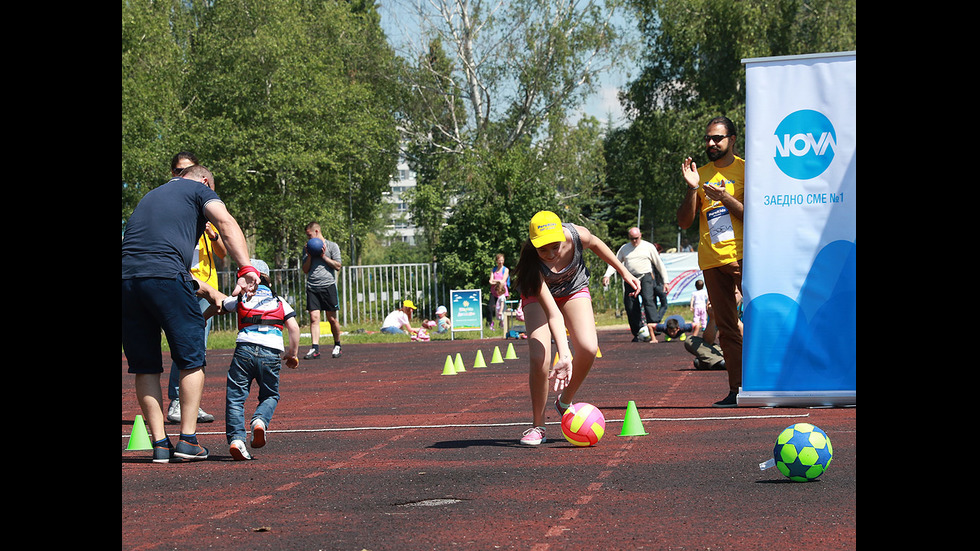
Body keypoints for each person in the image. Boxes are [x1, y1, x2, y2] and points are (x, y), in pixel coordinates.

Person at [122, 164, 260, 463]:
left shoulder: (151, 196)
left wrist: (211, 292)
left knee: (145, 366)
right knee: (191, 359)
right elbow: (225, 222)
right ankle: (187, 440)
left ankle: (159, 445)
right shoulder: (200, 190)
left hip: (127, 282)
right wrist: (246, 267)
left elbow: (153, 263)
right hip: (167, 278)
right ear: (206, 181)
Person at [513, 210, 640, 445]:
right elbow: (553, 314)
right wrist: (563, 354)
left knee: (589, 347)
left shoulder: (576, 235)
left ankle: (564, 401)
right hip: (539, 296)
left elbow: (598, 244)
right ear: (533, 245)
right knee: (540, 357)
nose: (551, 254)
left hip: (573, 288)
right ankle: (538, 426)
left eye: (555, 246)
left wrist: (624, 272)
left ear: (562, 235)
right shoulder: (532, 262)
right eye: (543, 249)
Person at [678, 116, 745, 407]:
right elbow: (684, 222)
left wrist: (725, 198)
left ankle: (770, 383)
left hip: (745, 258)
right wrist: (693, 188)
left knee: (760, 321)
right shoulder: (700, 173)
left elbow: (757, 216)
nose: (711, 143)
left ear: (732, 139)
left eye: (717, 138)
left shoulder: (746, 170)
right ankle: (737, 389)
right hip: (712, 261)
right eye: (708, 138)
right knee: (727, 328)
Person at [165, 152, 225, 424]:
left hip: (206, 288)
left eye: (186, 170)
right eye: (178, 171)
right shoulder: (172, 203)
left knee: (197, 346)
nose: (182, 175)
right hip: (181, 282)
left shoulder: (208, 206)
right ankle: (177, 401)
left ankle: (191, 403)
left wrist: (212, 233)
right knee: (184, 343)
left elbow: (223, 253)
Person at [220, 259, 300, 461]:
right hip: (271, 352)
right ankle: (260, 422)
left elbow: (223, 305)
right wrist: (292, 353)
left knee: (236, 397)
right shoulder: (279, 300)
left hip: (244, 349)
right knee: (270, 395)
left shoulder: (243, 298)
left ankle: (237, 439)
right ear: (268, 281)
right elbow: (294, 328)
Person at [601, 227, 669, 343]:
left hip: (645, 277)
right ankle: (637, 332)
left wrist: (665, 281)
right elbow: (615, 262)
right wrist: (607, 275)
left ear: (640, 236)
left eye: (636, 238)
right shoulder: (624, 248)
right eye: (632, 239)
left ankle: (654, 328)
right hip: (630, 279)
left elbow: (659, 264)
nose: (634, 241)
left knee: (648, 301)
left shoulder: (648, 247)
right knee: (631, 305)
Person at [302, 222, 343, 359]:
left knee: (332, 319)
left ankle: (337, 345)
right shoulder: (307, 248)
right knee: (314, 318)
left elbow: (338, 266)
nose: (308, 239)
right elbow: (305, 270)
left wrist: (323, 256)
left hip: (328, 286)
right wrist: (309, 256)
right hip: (312, 286)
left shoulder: (332, 246)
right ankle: (315, 348)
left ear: (317, 231)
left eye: (309, 235)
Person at [488, 253, 510, 331]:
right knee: (490, 308)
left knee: (502, 309)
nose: (500, 262)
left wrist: (495, 281)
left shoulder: (506, 270)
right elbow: (490, 281)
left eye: (502, 260)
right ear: (496, 261)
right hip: (494, 292)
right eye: (499, 260)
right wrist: (498, 281)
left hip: (502, 292)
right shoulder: (493, 270)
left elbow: (503, 281)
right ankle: (489, 324)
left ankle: (502, 325)